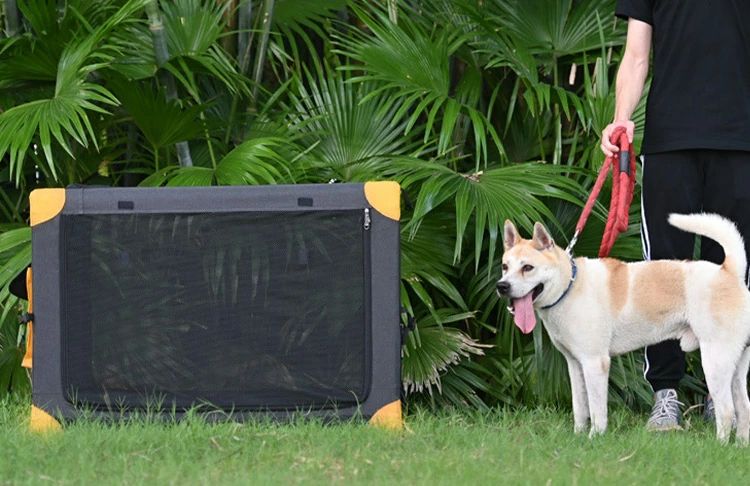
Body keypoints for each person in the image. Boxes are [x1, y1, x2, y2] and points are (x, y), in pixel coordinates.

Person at [603, 0, 750, 431]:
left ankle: (723, 393)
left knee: (738, 274)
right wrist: (620, 118)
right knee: (662, 274)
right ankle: (665, 395)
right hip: (670, 141)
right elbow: (635, 55)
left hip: (741, 140)